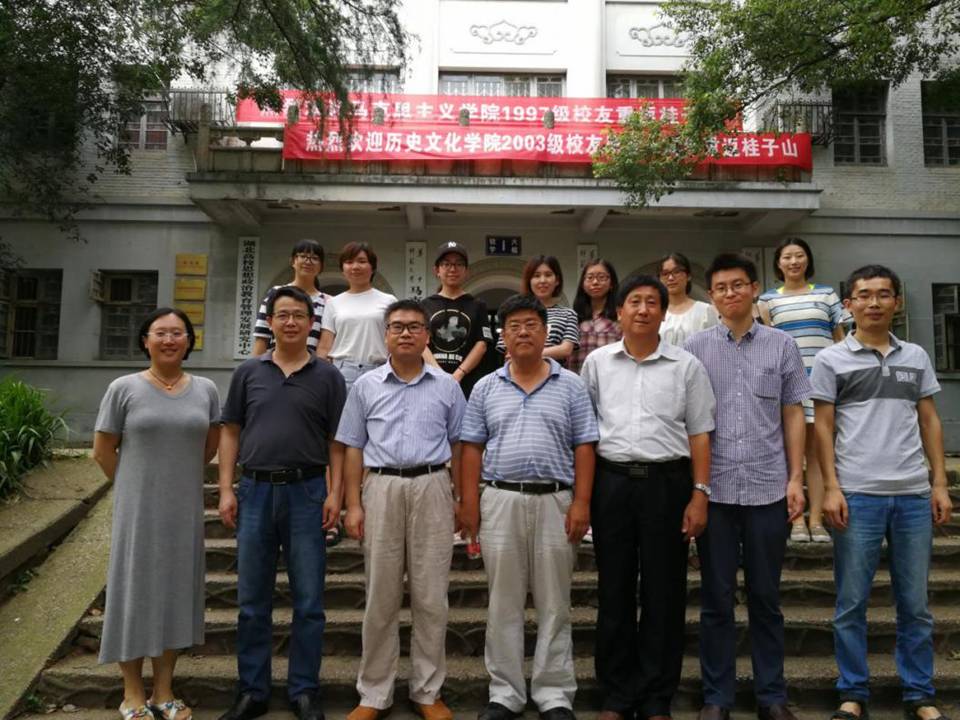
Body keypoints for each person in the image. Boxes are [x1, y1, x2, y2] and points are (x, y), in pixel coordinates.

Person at [811, 264, 953, 720]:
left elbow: (929, 420)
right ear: (848, 304)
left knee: (915, 605)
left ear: (897, 302)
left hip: (912, 495)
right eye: (864, 295)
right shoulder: (832, 359)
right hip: (857, 495)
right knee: (851, 603)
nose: (874, 303)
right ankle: (852, 693)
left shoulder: (916, 356)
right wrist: (831, 488)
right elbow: (823, 427)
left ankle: (920, 694)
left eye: (883, 294)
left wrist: (939, 482)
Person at [581, 275, 715, 720]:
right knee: (614, 590)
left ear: (663, 311)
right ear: (619, 311)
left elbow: (700, 433)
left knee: (665, 592)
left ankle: (658, 695)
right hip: (612, 484)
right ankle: (617, 694)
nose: (642, 310)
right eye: (634, 302)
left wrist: (699, 494)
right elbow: (585, 433)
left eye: (651, 302)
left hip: (667, 485)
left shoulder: (686, 366)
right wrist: (584, 496)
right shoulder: (597, 363)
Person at [684, 253, 811, 720]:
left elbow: (793, 412)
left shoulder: (782, 345)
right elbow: (689, 423)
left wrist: (796, 478)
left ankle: (771, 696)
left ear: (755, 288)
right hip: (715, 492)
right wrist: (694, 489)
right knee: (716, 600)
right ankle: (716, 697)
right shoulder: (695, 348)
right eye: (721, 287)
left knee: (766, 598)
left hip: (768, 488)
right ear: (712, 296)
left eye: (738, 284)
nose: (730, 293)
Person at [460, 294, 599, 720]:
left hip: (557, 501)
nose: (523, 332)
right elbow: (471, 448)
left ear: (545, 332)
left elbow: (585, 445)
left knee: (555, 602)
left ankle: (554, 693)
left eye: (531, 325)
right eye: (514, 326)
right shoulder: (486, 387)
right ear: (503, 336)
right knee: (503, 601)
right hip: (500, 499)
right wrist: (469, 504)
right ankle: (505, 692)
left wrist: (582, 502)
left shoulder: (571, 384)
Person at [217, 286, 346, 720]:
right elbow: (230, 431)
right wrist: (226, 488)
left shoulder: (328, 377)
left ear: (312, 324)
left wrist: (335, 493)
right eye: (282, 315)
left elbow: (337, 441)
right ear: (270, 322)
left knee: (308, 601)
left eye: (299, 315)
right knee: (252, 599)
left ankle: (304, 690)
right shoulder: (248, 372)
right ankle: (252, 690)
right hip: (255, 491)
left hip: (307, 492)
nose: (291, 322)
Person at [336, 299, 467, 720]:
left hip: (433, 486)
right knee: (381, 596)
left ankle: (427, 691)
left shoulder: (447, 386)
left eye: (414, 326)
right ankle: (374, 693)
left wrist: (461, 500)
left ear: (427, 336)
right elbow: (352, 446)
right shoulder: (366, 386)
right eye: (397, 326)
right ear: (386, 335)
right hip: (381, 487)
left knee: (431, 597)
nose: (406, 333)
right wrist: (353, 504)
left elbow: (460, 446)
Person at [93, 307, 221, 720]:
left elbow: (209, 446)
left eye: (177, 333)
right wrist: (135, 486)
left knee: (176, 593)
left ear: (189, 341)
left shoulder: (205, 390)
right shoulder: (123, 388)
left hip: (184, 509)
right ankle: (131, 692)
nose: (169, 340)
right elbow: (103, 450)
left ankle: (164, 690)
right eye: (160, 333)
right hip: (137, 511)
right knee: (133, 592)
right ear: (145, 340)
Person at [758, 237, 844, 544]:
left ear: (808, 260)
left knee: (817, 455)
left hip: (822, 386)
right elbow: (765, 344)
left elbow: (840, 339)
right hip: (786, 388)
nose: (793, 262)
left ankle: (816, 520)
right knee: (790, 457)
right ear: (778, 263)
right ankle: (795, 521)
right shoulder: (766, 300)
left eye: (799, 256)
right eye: (787, 257)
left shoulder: (827, 294)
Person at [317, 242, 398, 392]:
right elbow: (324, 345)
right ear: (343, 269)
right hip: (342, 371)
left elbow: (396, 339)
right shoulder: (333, 303)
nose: (355, 267)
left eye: (362, 261)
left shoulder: (389, 301)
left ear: (372, 267)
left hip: (380, 370)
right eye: (349, 262)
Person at [421, 241, 493, 398]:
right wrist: (440, 374)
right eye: (446, 264)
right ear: (437, 270)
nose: (452, 269)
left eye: (459, 264)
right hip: (431, 379)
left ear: (466, 271)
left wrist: (458, 374)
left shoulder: (477, 305)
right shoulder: (425, 305)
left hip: (467, 382)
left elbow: (482, 344)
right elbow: (421, 343)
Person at [497, 255, 580, 366]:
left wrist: (530, 354)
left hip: (555, 374)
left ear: (557, 280)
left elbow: (566, 350)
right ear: (529, 281)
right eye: (536, 276)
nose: (542, 280)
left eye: (548, 275)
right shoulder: (514, 313)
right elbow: (509, 351)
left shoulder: (568, 314)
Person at [253, 239, 331, 355]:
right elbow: (262, 336)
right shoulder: (276, 293)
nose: (308, 262)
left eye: (314, 258)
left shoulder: (328, 302)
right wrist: (256, 365)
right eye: (303, 256)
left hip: (311, 363)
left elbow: (326, 343)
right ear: (293, 261)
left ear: (321, 266)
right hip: (275, 363)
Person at [569, 259, 621, 374]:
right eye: (590, 277)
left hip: (610, 379)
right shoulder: (573, 318)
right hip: (577, 380)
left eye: (601, 277)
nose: (595, 282)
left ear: (611, 283)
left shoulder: (620, 317)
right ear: (582, 284)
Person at [657, 253, 719, 346]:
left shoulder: (705, 311)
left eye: (676, 272)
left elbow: (715, 346)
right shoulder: (654, 312)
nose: (670, 278)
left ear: (688, 276)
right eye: (665, 274)